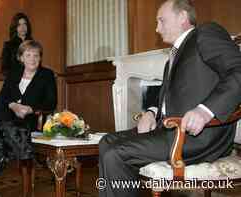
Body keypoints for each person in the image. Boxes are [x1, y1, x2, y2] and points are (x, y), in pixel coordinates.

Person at [99, 0, 241, 197]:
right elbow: (166, 96)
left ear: (182, 17)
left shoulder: (205, 33)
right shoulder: (171, 59)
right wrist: (151, 112)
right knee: (107, 142)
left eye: (161, 21)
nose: (157, 29)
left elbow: (238, 71)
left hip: (197, 136)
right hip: (168, 130)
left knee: (116, 154)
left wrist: (205, 111)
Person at [0, 40, 57, 132]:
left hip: (32, 117)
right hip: (10, 114)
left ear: (40, 58)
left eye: (36, 55)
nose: (32, 59)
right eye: (28, 55)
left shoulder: (47, 75)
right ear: (21, 58)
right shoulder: (13, 73)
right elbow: (2, 97)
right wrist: (13, 106)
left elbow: (51, 102)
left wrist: (30, 109)